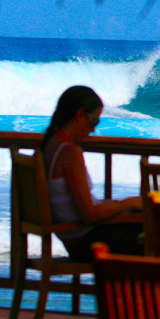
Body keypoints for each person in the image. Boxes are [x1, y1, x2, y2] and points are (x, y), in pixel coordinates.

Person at [40, 85, 143, 261]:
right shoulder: (69, 152)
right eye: (94, 121)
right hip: (88, 244)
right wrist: (128, 203)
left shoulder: (47, 146)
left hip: (72, 240)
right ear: (80, 115)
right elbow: (89, 215)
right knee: (159, 235)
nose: (94, 129)